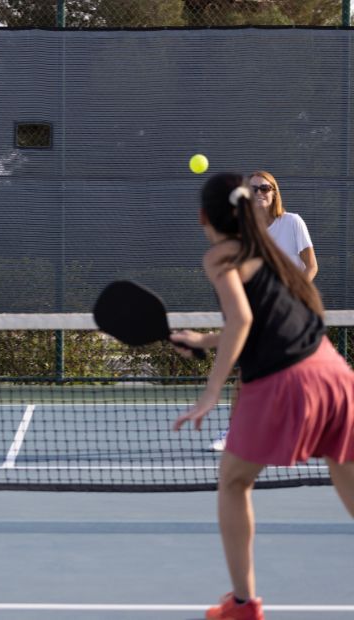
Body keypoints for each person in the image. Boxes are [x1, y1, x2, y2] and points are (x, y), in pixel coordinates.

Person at [171, 173, 354, 620]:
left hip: (283, 382)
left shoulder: (221, 256)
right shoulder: (271, 252)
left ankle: (242, 605)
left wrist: (211, 390)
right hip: (334, 374)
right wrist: (203, 340)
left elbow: (242, 321)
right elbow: (260, 317)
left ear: (202, 217)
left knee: (234, 481)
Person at [209, 170, 318, 452]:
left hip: (291, 312)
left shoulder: (292, 222)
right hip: (260, 312)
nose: (260, 193)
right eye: (254, 189)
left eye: (265, 188)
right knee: (247, 373)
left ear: (274, 192)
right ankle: (234, 432)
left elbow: (311, 265)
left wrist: (294, 296)